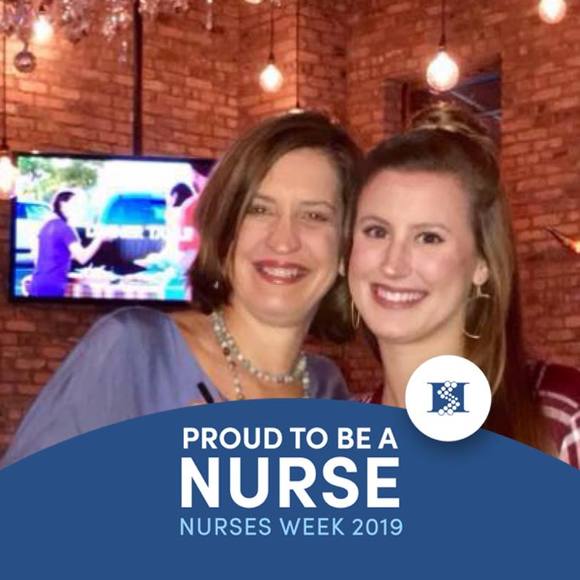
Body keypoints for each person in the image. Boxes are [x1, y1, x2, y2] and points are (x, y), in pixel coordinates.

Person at [1, 111, 362, 467]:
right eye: (259, 209)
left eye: (315, 215)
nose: (284, 240)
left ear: (347, 250)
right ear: (225, 230)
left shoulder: (327, 391)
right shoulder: (135, 352)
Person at [348, 102, 580, 467]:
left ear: (482, 264)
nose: (392, 264)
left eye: (429, 237)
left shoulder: (560, 415)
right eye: (376, 231)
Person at [28, 190, 108, 298]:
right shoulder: (65, 228)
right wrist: (100, 238)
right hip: (53, 286)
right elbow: (82, 258)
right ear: (62, 204)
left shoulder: (46, 225)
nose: (78, 209)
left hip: (37, 282)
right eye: (75, 204)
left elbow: (49, 254)